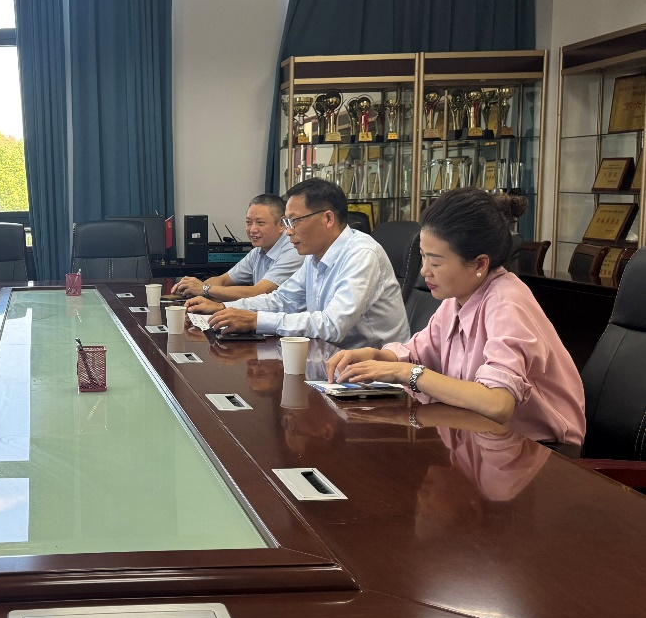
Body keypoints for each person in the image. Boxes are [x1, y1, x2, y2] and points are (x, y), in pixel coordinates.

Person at [325, 188, 585, 446]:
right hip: (481, 437)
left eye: (436, 263)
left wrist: (405, 372)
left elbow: (497, 403)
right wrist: (375, 356)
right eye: (423, 257)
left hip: (542, 451)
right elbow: (418, 353)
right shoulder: (457, 298)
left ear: (479, 264)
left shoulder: (507, 302)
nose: (424, 271)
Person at [187, 178, 410, 349]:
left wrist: (256, 320)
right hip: (329, 359)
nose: (288, 232)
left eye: (294, 221)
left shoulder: (362, 254)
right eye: (287, 222)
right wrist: (225, 308)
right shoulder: (315, 255)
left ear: (328, 218)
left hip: (375, 373)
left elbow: (333, 325)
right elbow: (282, 300)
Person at [172, 194, 301, 301]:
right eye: (248, 222)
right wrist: (192, 288)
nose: (252, 229)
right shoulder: (258, 251)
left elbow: (259, 292)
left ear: (281, 224)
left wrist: (204, 289)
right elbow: (223, 280)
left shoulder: (293, 250)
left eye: (260, 223)